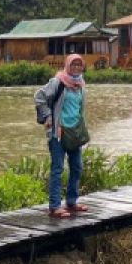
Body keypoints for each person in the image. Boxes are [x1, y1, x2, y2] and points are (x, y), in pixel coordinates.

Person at [34, 53, 89, 218]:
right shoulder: (58, 82)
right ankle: (54, 206)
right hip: (58, 133)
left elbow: (79, 109)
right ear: (67, 65)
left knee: (77, 166)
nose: (77, 67)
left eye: (79, 65)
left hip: (74, 133)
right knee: (57, 168)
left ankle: (71, 202)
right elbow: (39, 97)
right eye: (74, 64)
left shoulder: (80, 84)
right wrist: (48, 117)